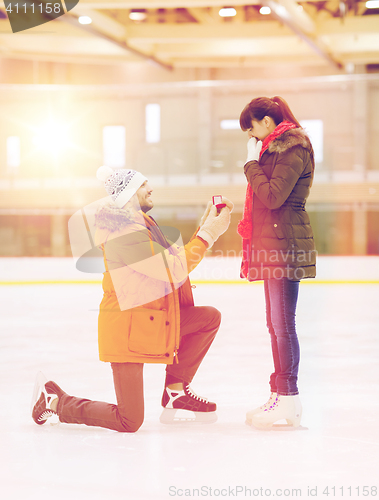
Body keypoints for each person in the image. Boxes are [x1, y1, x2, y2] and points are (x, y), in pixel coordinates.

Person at [32, 166, 233, 432]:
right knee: (130, 420)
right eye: (143, 185)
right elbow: (171, 269)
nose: (150, 188)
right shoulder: (122, 234)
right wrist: (208, 234)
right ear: (127, 195)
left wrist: (204, 227)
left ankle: (175, 392)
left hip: (149, 321)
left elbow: (172, 261)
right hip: (127, 329)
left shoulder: (142, 224)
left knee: (208, 318)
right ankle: (56, 401)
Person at [238, 96, 316, 429]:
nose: (251, 137)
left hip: (285, 246)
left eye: (252, 128)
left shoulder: (293, 150)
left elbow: (272, 196)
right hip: (275, 244)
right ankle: (281, 395)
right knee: (276, 325)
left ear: (267, 122)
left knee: (283, 325)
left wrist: (250, 165)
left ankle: (288, 397)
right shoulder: (277, 150)